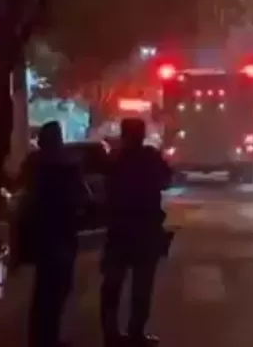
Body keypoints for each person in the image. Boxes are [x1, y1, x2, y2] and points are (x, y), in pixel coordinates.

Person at [100, 118, 172, 346]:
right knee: (141, 286)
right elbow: (166, 179)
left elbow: (107, 191)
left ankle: (111, 334)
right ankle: (135, 332)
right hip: (144, 229)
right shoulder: (148, 158)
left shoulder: (116, 159)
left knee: (113, 285)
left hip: (120, 230)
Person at [22, 121, 85, 347]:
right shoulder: (66, 165)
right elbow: (80, 197)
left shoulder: (35, 163)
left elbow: (27, 196)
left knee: (44, 289)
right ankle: (47, 338)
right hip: (62, 232)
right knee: (59, 287)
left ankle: (40, 338)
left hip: (43, 233)